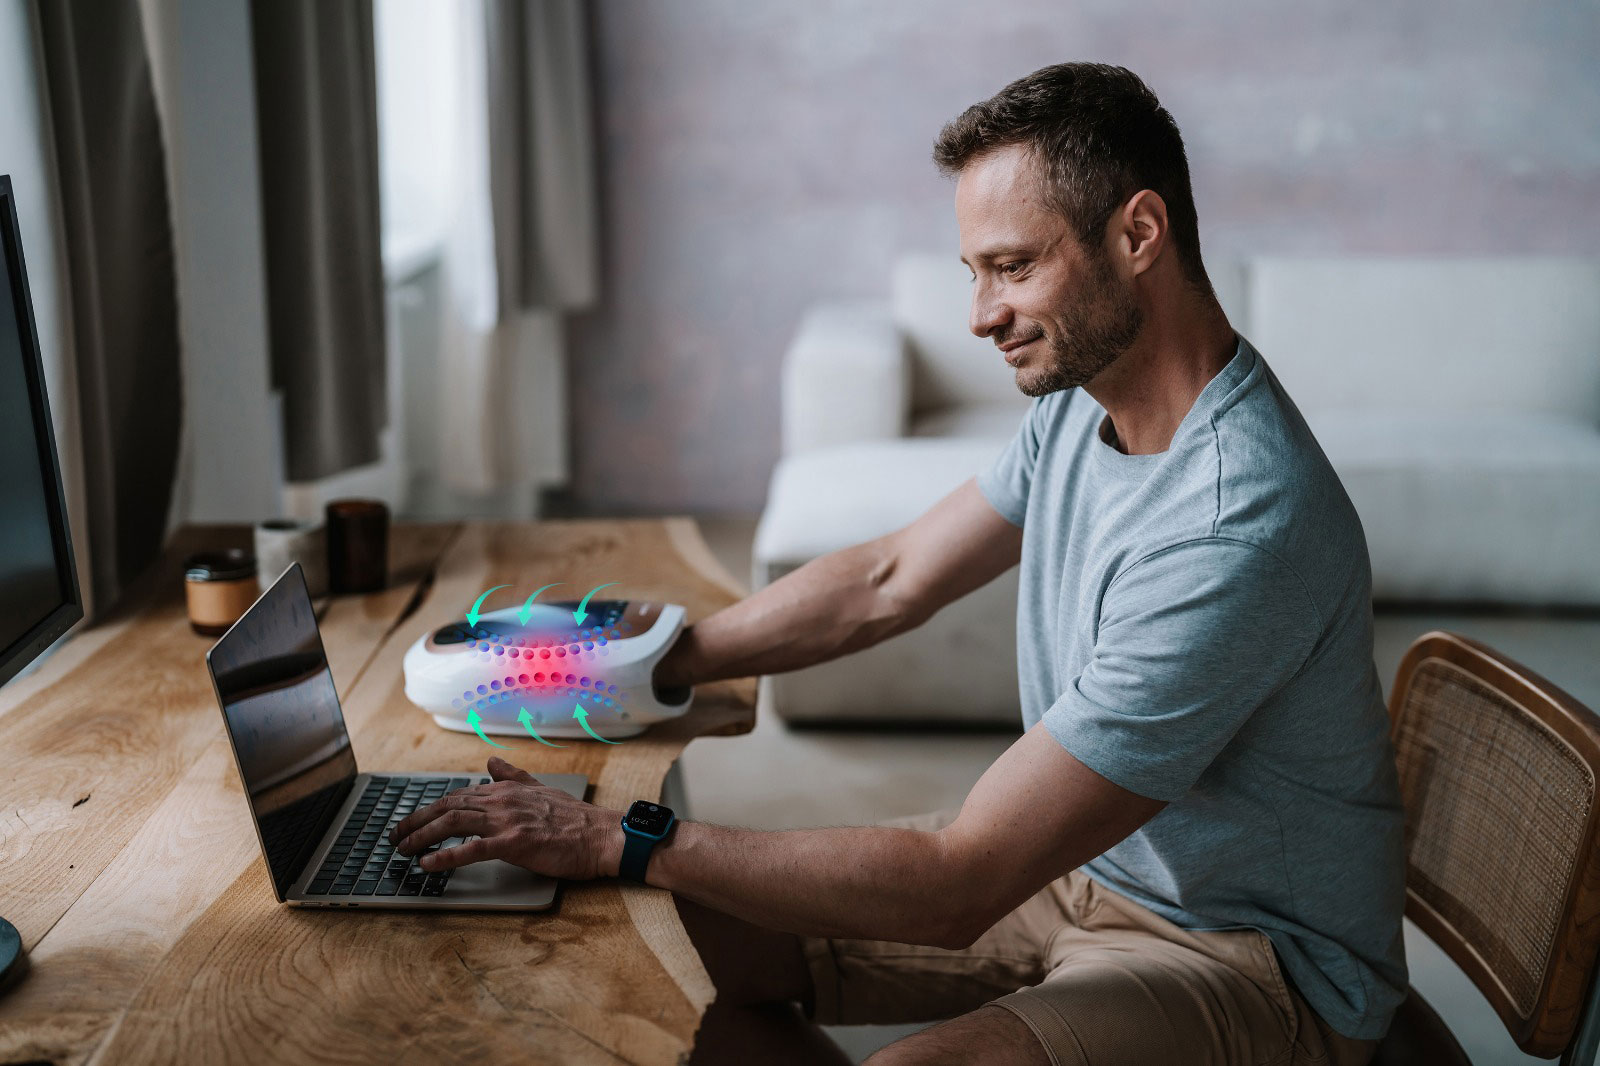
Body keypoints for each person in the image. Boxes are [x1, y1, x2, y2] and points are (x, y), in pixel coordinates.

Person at [390, 62, 1407, 1066]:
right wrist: (658, 659)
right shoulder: (1082, 402)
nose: (978, 313)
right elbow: (889, 577)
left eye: (1011, 266)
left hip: (1243, 957)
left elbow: (957, 879)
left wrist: (622, 832)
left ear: (1137, 235)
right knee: (678, 940)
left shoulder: (1232, 520)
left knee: (681, 896)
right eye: (973, 271)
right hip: (1090, 872)